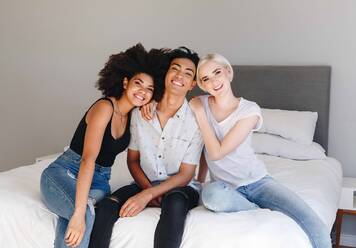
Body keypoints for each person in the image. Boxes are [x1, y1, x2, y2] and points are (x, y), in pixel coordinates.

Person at [189, 53, 332, 248]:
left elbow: (217, 152)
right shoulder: (201, 103)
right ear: (202, 85)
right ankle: (255, 210)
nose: (214, 81)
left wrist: (199, 113)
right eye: (206, 78)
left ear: (228, 72)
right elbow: (205, 145)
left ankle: (256, 206)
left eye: (217, 72)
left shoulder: (249, 110)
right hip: (226, 188)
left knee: (315, 225)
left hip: (257, 182)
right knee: (211, 196)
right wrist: (199, 180)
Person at [40, 43, 165, 248]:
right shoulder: (104, 107)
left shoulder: (133, 116)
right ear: (126, 82)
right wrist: (80, 214)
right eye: (138, 84)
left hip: (100, 183)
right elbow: (88, 160)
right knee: (83, 214)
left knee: (75, 216)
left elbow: (169, 108)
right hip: (66, 172)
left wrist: (153, 102)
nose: (142, 92)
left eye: (149, 89)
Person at [89, 47, 203, 248]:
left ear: (193, 83)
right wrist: (148, 189)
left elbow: (186, 174)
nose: (179, 76)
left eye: (188, 73)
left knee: (174, 202)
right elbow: (132, 160)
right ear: (166, 74)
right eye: (175, 69)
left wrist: (148, 195)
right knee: (107, 206)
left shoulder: (197, 119)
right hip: (144, 183)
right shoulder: (141, 111)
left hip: (181, 188)